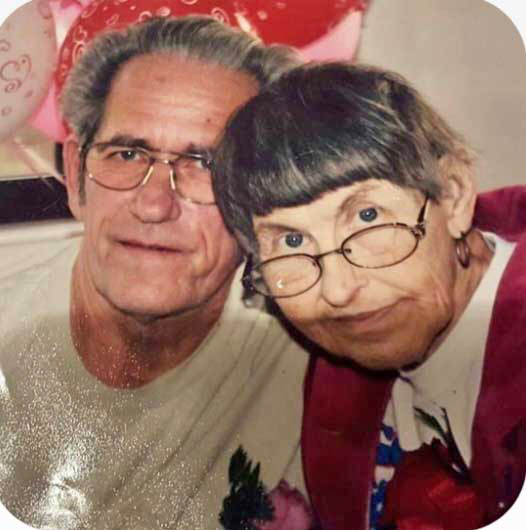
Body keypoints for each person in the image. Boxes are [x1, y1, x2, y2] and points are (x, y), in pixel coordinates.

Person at [0, 16, 311, 530]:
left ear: (263, 196)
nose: (153, 205)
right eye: (127, 153)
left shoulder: (319, 361)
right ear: (76, 176)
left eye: (206, 164)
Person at [213, 61, 526, 529]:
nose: (338, 291)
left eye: (367, 216)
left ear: (454, 195)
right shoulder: (334, 381)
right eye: (292, 242)